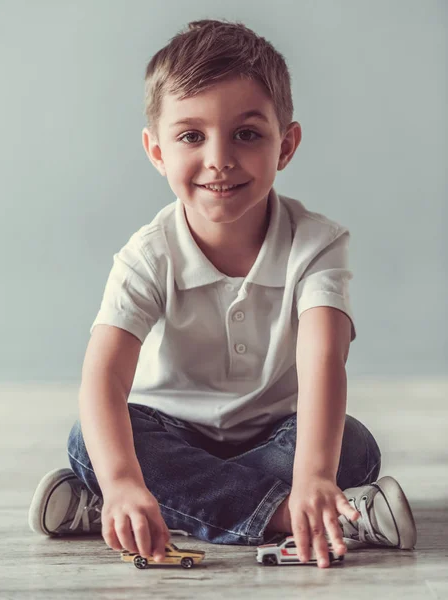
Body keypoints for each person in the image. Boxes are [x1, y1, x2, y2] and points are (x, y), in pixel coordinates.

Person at [28, 18, 416, 569]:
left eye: (247, 133)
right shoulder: (148, 255)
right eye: (191, 135)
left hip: (275, 434)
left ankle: (124, 510)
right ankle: (289, 515)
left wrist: (311, 475)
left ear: (286, 145)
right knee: (93, 440)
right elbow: (104, 376)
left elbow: (323, 360)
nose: (219, 158)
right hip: (169, 431)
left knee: (352, 448)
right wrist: (120, 479)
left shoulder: (317, 244)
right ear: (157, 151)